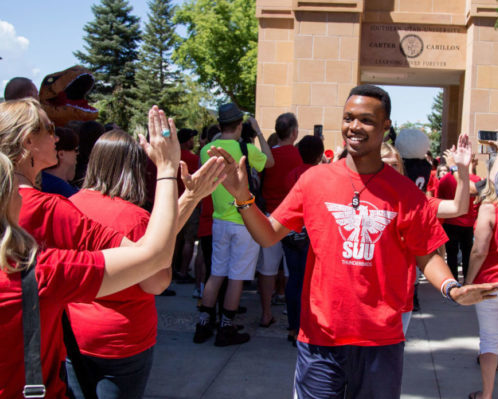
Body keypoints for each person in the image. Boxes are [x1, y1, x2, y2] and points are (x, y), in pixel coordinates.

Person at [207, 84, 498, 398]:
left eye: (366, 120)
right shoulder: (313, 181)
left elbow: (426, 254)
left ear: (386, 127)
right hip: (320, 339)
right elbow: (266, 235)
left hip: (381, 341)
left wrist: (452, 289)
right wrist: (243, 198)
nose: (354, 127)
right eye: (348, 118)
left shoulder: (406, 193)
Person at [0, 104, 182, 398]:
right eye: (49, 129)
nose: (57, 138)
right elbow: (154, 265)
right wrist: (167, 170)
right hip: (116, 344)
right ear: (26, 141)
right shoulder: (43, 261)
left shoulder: (71, 203)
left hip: (73, 340)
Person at [66, 129, 224, 398]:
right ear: (135, 169)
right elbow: (157, 283)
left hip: (72, 336)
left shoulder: (66, 206)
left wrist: (189, 198)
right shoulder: (135, 218)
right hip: (122, 341)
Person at [194, 103, 268, 347]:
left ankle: (204, 323)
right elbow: (270, 163)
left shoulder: (206, 150)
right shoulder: (245, 148)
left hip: (219, 220)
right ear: (239, 126)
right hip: (244, 220)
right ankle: (227, 328)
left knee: (216, 273)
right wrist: (257, 132)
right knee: (237, 277)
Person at [256, 112, 301, 327]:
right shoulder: (299, 156)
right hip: (292, 219)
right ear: (294, 132)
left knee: (267, 269)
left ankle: (265, 313)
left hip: (268, 216)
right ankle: (289, 307)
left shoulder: (266, 156)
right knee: (293, 269)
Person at [283, 135, 324, 345]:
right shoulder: (321, 175)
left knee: (294, 280)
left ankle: (292, 326)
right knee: (311, 283)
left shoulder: (291, 174)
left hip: (291, 232)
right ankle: (305, 327)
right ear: (320, 154)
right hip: (313, 234)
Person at [466, 153, 498, 399]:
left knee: (489, 341)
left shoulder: (489, 208)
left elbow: (479, 250)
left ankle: (486, 395)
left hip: (490, 284)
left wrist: (467, 282)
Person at [173, 128, 200, 284]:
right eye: (191, 139)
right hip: (190, 204)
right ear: (186, 140)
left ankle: (172, 268)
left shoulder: (173, 157)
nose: (193, 142)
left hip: (173, 202)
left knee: (175, 239)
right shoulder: (193, 159)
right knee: (189, 240)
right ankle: (183, 271)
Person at [41, 127, 80, 197]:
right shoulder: (61, 189)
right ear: (61, 154)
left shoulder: (38, 180)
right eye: (75, 150)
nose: (77, 154)